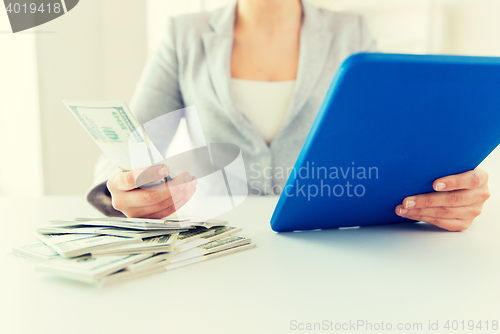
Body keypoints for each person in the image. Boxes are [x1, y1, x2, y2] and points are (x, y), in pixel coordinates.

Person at [87, 0, 490, 231]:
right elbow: (126, 148)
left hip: (328, 242)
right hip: (221, 243)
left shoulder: (352, 32)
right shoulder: (183, 36)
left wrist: (444, 187)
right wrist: (119, 186)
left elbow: (392, 144)